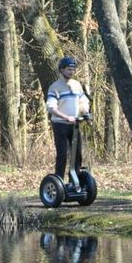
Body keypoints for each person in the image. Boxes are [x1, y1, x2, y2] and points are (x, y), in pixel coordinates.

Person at [46, 57, 90, 185]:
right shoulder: (55, 87)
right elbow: (51, 108)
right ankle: (58, 182)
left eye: (73, 70)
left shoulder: (77, 85)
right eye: (69, 69)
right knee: (62, 155)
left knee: (77, 156)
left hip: (75, 125)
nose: (71, 72)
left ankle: (74, 183)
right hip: (60, 125)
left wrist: (85, 112)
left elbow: (83, 102)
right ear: (61, 70)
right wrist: (65, 117)